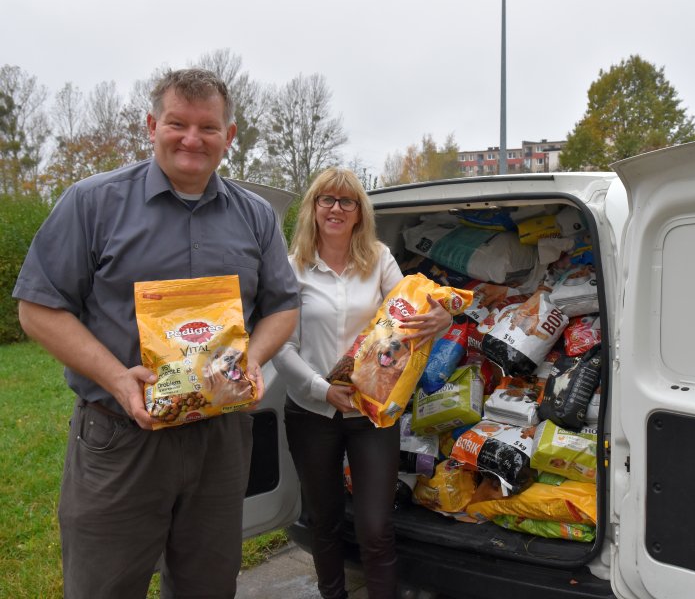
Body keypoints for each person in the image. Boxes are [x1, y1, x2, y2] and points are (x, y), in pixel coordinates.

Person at [12, 68, 299, 599]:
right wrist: (119, 379)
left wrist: (253, 359)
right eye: (177, 123)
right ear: (151, 125)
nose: (192, 139)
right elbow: (38, 308)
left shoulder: (256, 216)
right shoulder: (92, 202)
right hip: (121, 437)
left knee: (208, 585)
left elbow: (283, 306)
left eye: (208, 128)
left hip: (219, 441)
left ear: (229, 137)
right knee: (104, 585)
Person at [273, 167, 451, 599]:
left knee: (375, 525)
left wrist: (443, 317)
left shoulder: (378, 258)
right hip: (312, 412)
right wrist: (322, 389)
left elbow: (409, 308)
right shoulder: (291, 267)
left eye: (346, 201)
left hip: (373, 412)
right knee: (325, 520)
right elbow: (280, 346)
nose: (336, 208)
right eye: (326, 200)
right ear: (313, 208)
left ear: (358, 213)